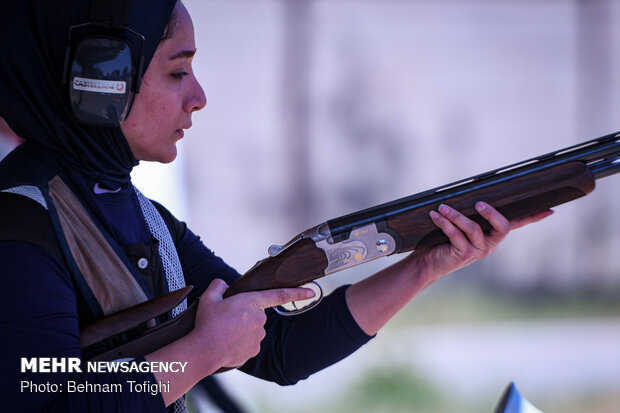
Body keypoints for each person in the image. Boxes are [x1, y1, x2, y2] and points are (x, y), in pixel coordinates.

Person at [0, 1, 552, 412]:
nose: (198, 96)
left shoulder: (136, 213)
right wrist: (202, 351)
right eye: (176, 71)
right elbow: (43, 398)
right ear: (101, 83)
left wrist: (431, 261)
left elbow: (281, 348)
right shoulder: (21, 225)